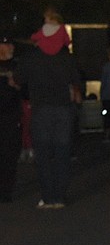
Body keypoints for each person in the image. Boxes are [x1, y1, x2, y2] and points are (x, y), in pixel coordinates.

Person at [14, 12, 81, 209]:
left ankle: (48, 196)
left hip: (41, 109)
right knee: (62, 153)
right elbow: (76, 83)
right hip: (62, 109)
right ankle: (59, 197)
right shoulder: (66, 58)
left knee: (43, 154)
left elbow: (18, 80)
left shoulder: (32, 57)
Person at [0, 34, 22, 201]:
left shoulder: (17, 66)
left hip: (10, 116)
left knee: (9, 153)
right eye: (7, 45)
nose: (11, 48)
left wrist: (17, 86)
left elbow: (25, 87)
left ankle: (6, 191)